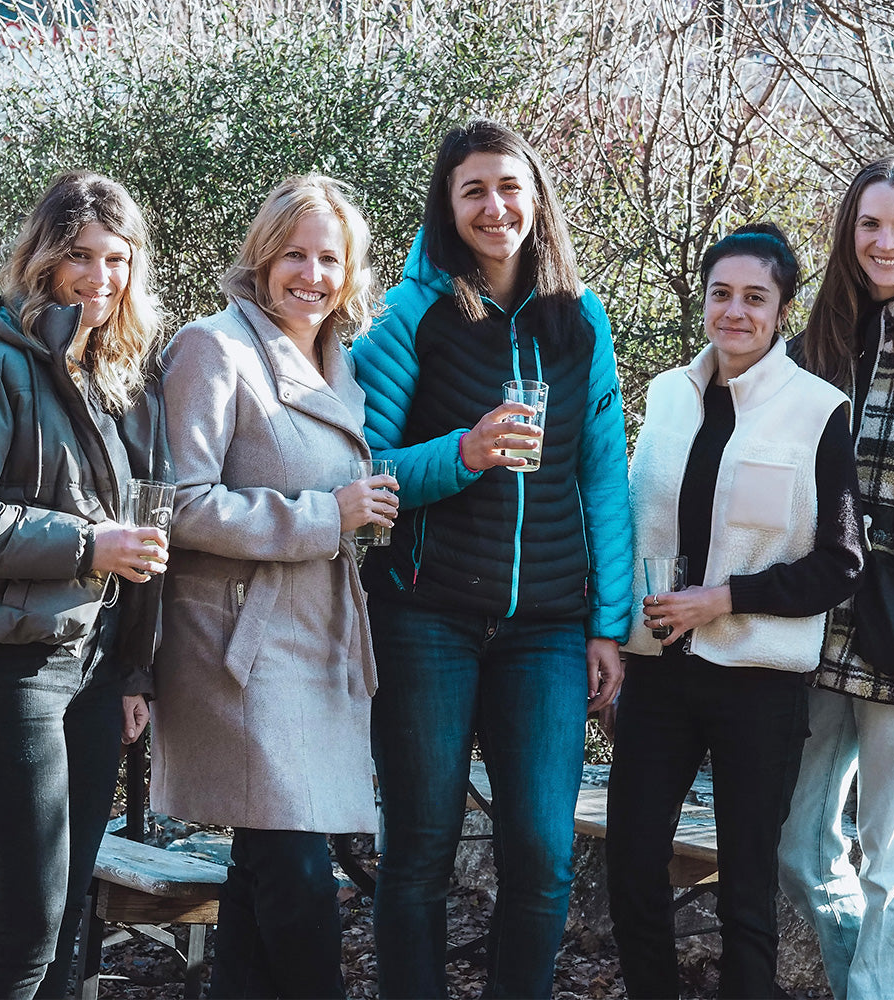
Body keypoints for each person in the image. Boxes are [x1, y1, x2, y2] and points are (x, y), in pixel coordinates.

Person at [350, 118, 633, 999]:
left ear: (536, 198)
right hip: (425, 616)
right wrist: (461, 455)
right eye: (472, 189)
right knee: (421, 850)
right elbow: (358, 472)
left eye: (509, 186)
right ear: (446, 206)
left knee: (543, 854)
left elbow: (604, 479)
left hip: (547, 627)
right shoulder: (409, 316)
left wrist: (609, 625)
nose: (494, 205)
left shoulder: (582, 319)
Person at [604, 223, 866, 999]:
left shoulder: (818, 409)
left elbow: (841, 563)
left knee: (746, 892)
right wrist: (613, 637)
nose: (735, 312)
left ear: (782, 309)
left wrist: (724, 598)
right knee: (631, 864)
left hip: (759, 682)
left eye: (756, 297)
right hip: (658, 673)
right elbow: (625, 523)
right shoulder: (664, 395)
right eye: (722, 294)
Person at [149, 174, 393, 1000]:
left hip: (315, 639)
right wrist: (328, 515)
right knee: (296, 873)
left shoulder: (341, 364)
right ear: (261, 258)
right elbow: (177, 503)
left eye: (331, 258)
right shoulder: (212, 347)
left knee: (262, 869)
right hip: (237, 648)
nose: (312, 275)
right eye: (295, 253)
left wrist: (354, 515)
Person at [0, 170, 168, 999]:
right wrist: (90, 543)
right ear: (42, 259)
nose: (100, 277)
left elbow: (145, 538)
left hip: (92, 670)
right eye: (80, 256)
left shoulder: (113, 377)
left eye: (117, 259)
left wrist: (133, 672)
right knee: (23, 926)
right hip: (7, 668)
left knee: (65, 920)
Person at [778, 156, 894, 1000]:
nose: (885, 243)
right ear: (848, 235)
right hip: (816, 627)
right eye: (869, 225)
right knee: (798, 840)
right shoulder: (816, 348)